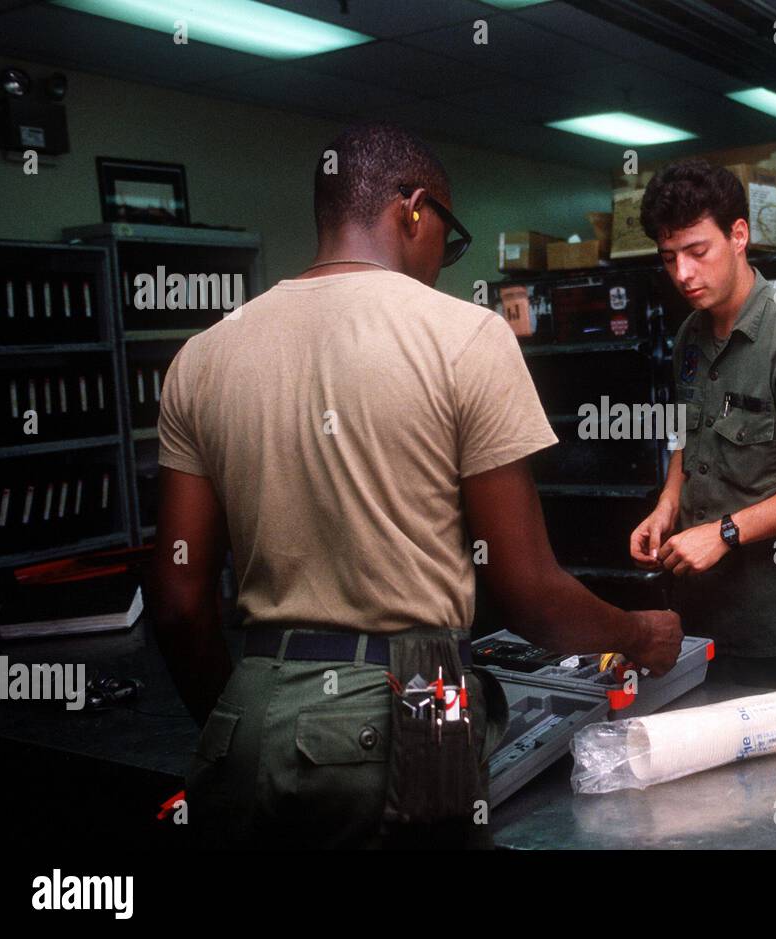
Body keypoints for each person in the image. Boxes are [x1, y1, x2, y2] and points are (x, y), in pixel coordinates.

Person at [150, 122, 681, 849]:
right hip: (409, 709)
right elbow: (529, 591)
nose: (443, 260)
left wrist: (249, 719)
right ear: (413, 209)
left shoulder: (202, 356)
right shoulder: (466, 336)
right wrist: (638, 631)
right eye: (448, 237)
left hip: (251, 709)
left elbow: (179, 602)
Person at [628, 159, 776, 686]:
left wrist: (726, 533)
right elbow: (688, 433)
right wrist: (667, 506)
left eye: (697, 252)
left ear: (739, 235)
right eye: (669, 258)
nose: (682, 273)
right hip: (706, 616)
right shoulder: (691, 334)